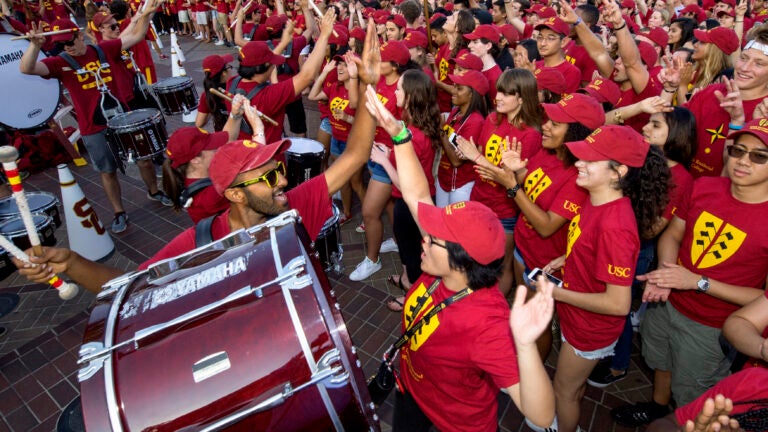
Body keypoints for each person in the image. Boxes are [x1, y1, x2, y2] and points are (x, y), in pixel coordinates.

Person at [14, 20, 383, 294]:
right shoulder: (203, 240)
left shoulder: (291, 205)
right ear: (235, 195)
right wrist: (74, 264)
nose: (284, 180)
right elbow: (135, 285)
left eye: (277, 172)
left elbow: (354, 156)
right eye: (270, 177)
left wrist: (368, 84)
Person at [364, 79, 556, 432]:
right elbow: (417, 193)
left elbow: (541, 415)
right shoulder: (444, 263)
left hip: (455, 422)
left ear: (461, 260)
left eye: (433, 240)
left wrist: (525, 345)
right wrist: (399, 133)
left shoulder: (486, 323)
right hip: (412, 393)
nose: (424, 241)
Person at [612, 118, 768, 428]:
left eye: (759, 156)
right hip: (667, 300)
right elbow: (674, 233)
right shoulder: (706, 186)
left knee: (697, 398)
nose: (743, 161)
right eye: (738, 151)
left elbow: (763, 298)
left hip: (712, 327)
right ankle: (658, 407)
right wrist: (670, 274)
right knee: (660, 361)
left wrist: (697, 282)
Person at [542, 125, 670, 432]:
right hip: (578, 317)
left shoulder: (616, 226)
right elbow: (590, 246)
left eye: (590, 159)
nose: (577, 164)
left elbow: (617, 304)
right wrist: (568, 258)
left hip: (589, 328)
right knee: (573, 387)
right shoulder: (596, 199)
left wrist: (555, 293)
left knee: (564, 390)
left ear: (618, 172)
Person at [19, 2, 172, 235]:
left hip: (122, 119)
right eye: (61, 45)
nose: (67, 48)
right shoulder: (60, 63)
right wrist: (34, 45)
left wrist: (148, 13)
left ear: (79, 36)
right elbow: (27, 69)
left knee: (144, 159)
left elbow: (137, 34)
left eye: (70, 42)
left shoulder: (103, 50)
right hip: (93, 126)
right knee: (107, 171)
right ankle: (119, 212)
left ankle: (153, 191)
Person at [455, 68, 543, 296]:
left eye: (506, 93)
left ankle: (494, 310)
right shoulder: (493, 119)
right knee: (476, 257)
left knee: (500, 268)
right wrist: (472, 153)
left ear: (522, 98)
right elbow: (482, 151)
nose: (498, 97)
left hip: (505, 212)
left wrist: (476, 156)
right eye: (498, 92)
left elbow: (509, 179)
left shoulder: (530, 135)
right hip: (479, 200)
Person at [435, 69, 488, 207]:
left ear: (472, 94)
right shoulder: (456, 111)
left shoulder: (476, 121)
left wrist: (442, 131)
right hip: (444, 179)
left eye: (459, 89)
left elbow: (457, 161)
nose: (453, 91)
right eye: (454, 87)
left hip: (460, 185)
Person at [162, 126, 230, 223]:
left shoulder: (192, 179)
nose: (219, 148)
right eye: (212, 147)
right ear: (195, 159)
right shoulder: (211, 196)